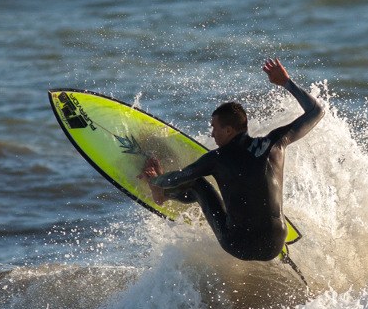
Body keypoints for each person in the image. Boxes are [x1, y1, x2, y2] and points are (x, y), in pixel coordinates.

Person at [137, 58, 323, 262]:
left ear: (228, 130)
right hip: (275, 243)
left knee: (197, 184)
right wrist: (286, 82)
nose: (212, 133)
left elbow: (177, 178)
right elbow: (316, 111)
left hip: (238, 245)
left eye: (214, 127)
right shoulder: (274, 144)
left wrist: (155, 180)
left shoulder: (216, 159)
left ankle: (162, 196)